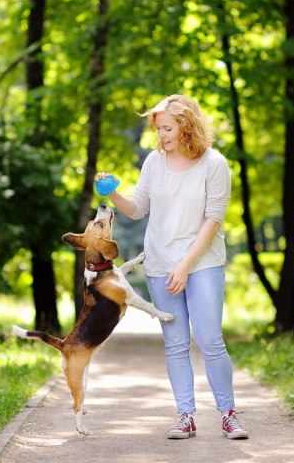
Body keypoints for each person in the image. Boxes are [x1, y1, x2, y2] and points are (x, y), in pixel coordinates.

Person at [95, 94, 249, 440]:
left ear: (187, 125)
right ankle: (185, 416)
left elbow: (213, 221)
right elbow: (137, 208)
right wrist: (113, 193)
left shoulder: (215, 164)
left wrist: (185, 265)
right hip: (160, 263)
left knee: (210, 339)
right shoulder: (153, 162)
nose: (161, 135)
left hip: (203, 262)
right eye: (158, 128)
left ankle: (228, 414)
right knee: (176, 344)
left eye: (167, 128)